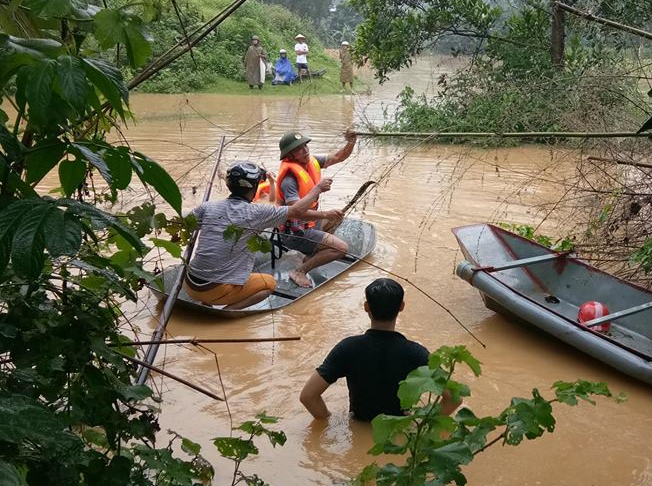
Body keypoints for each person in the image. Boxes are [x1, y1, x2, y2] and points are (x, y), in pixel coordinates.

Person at [299, 278, 461, 421]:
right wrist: (424, 425)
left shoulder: (347, 348)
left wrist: (327, 421)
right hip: (399, 431)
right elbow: (454, 398)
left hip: (358, 424)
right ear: (401, 307)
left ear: (366, 307)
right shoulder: (416, 353)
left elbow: (308, 397)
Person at [185, 162, 332, 309]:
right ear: (254, 188)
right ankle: (228, 311)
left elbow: (185, 224)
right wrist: (318, 189)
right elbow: (296, 211)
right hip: (216, 290)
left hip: (190, 285)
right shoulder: (257, 212)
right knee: (269, 284)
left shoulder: (207, 207)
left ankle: (207, 302)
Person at [272, 128, 357, 288]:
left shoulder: (311, 161)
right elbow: (297, 212)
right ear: (290, 155)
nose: (305, 150)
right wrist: (319, 192)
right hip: (295, 232)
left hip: (310, 224)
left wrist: (351, 141)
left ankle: (311, 254)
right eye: (299, 149)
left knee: (337, 218)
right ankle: (300, 271)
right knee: (341, 249)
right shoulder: (289, 180)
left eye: (305, 146)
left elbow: (339, 157)